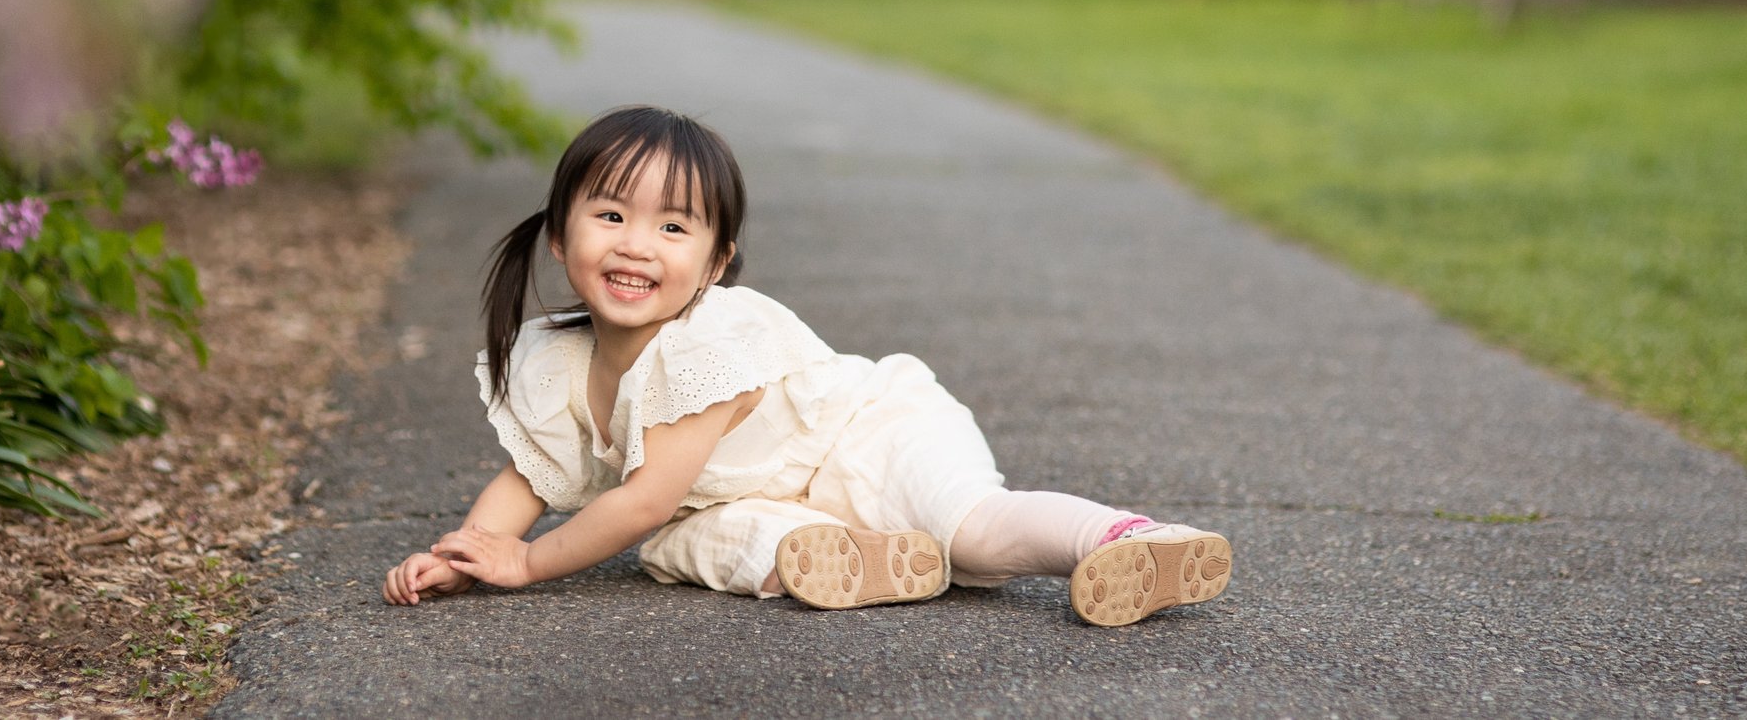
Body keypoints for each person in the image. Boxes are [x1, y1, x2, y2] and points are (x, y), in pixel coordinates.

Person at [381, 105, 1233, 625]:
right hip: (765, 497)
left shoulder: (706, 341)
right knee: (684, 544)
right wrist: (469, 552)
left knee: (973, 533)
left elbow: (642, 497)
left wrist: (529, 563)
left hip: (870, 433)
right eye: (611, 215)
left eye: (673, 227)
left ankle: (1127, 541)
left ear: (715, 264)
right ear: (559, 236)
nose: (637, 244)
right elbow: (527, 477)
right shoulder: (559, 358)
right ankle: (858, 559)